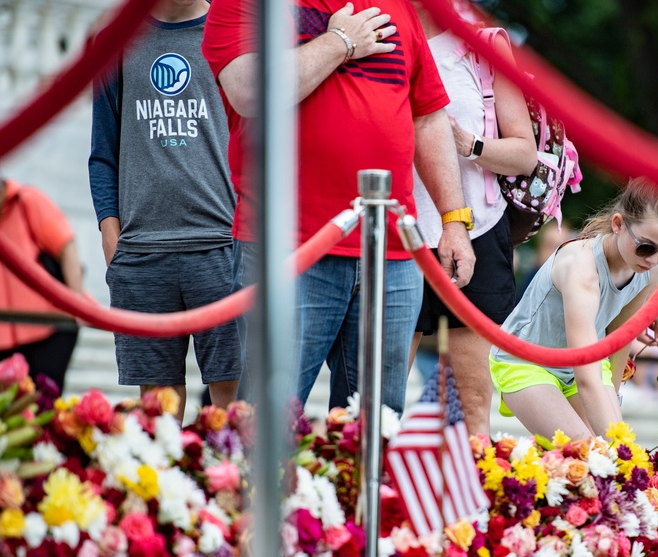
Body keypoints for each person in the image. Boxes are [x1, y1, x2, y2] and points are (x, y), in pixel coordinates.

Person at [202, 0, 475, 416]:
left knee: (377, 422)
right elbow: (249, 92)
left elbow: (428, 118)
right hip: (287, 247)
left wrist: (454, 219)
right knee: (266, 419)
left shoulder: (398, 6)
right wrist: (341, 41)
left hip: (392, 251)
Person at [89, 0, 240, 423]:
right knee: (157, 416)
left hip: (222, 246)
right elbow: (103, 153)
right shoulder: (115, 41)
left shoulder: (233, 31)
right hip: (141, 254)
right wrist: (112, 239)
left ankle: (231, 491)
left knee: (233, 409)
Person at [409, 1, 537, 435]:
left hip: (477, 234)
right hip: (396, 233)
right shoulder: (368, 31)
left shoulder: (484, 44)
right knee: (379, 392)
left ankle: (470, 497)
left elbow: (525, 154)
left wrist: (469, 144)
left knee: (473, 402)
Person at [489, 178, 658, 440]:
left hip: (587, 365)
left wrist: (614, 398)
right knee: (589, 453)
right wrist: (618, 448)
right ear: (618, 224)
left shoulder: (652, 268)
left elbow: (620, 337)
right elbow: (587, 377)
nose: (653, 259)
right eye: (645, 247)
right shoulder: (582, 269)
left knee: (607, 456)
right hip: (527, 362)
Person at [0, 169, 83, 393]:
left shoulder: (27, 200)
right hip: (3, 335)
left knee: (45, 400)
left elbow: (66, 248)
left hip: (49, 325)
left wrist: (77, 303)